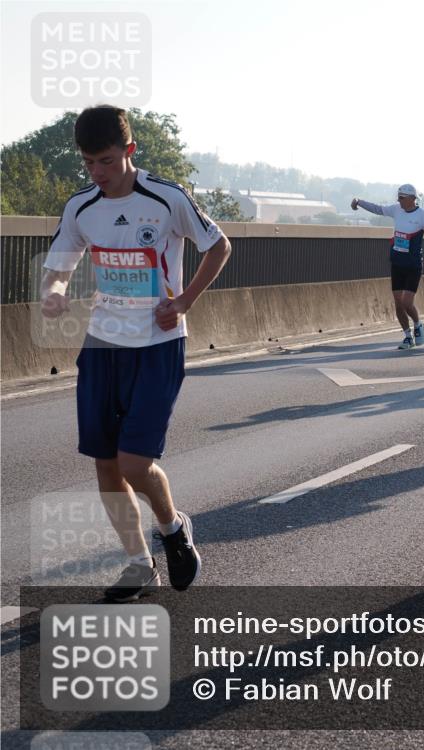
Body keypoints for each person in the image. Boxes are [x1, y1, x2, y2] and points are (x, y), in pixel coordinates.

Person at [40, 105, 232, 602]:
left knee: (132, 462)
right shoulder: (82, 206)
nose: (97, 173)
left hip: (158, 344)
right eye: (88, 164)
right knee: (105, 463)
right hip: (103, 344)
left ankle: (172, 527)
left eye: (105, 161)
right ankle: (138, 566)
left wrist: (184, 301)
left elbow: (219, 246)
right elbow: (61, 262)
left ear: (129, 151)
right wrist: (55, 289)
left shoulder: (166, 197)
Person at [352, 185, 424, 349]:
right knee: (398, 302)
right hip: (397, 263)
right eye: (398, 197)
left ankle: (418, 325)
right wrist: (359, 202)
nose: (398, 200)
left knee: (407, 302)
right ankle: (407, 336)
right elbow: (378, 209)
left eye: (401, 197)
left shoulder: (422, 215)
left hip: (413, 265)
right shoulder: (396, 210)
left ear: (411, 198)